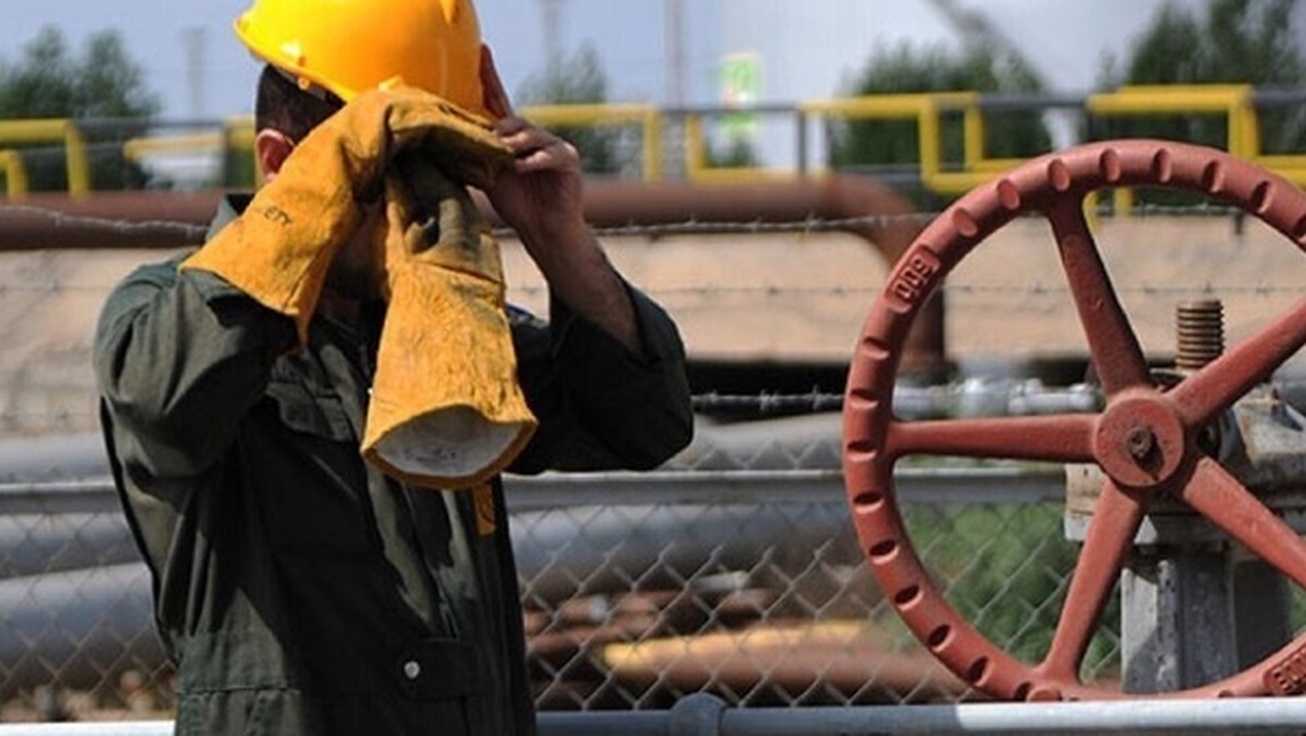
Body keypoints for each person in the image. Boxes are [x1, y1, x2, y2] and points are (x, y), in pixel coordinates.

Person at [92, 0, 694, 734]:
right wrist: (315, 202)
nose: (421, 206)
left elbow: (643, 422)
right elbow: (162, 404)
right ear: (281, 164)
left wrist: (555, 237)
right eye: (389, 170)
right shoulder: (166, 315)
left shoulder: (442, 329)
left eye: (439, 170)